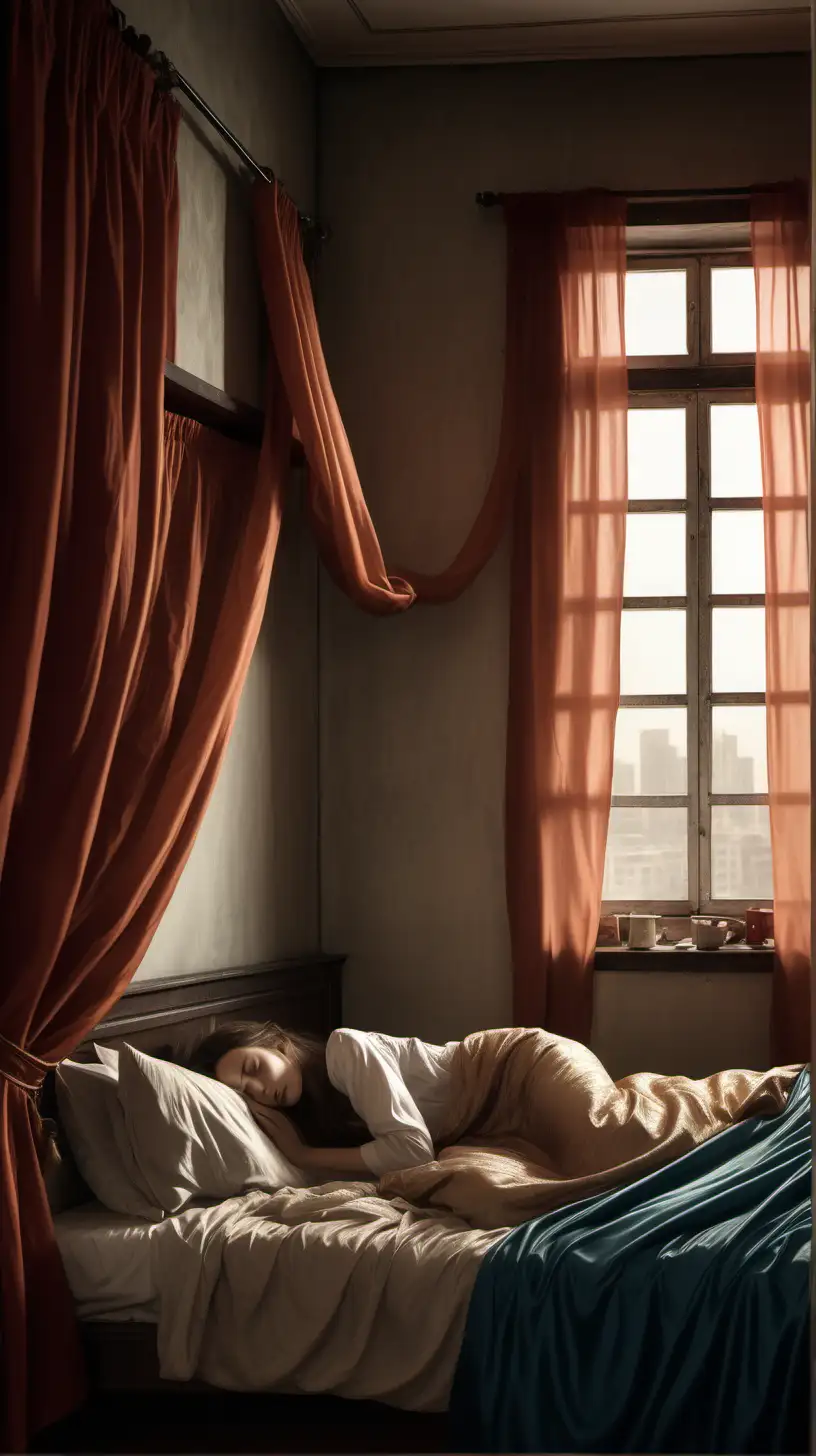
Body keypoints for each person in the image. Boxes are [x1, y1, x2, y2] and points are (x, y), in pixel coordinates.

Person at [182, 1021, 458, 1180]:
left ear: (277, 1044)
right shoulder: (315, 1119)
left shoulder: (345, 1048)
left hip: (494, 1075)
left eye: (253, 1068)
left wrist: (302, 1155)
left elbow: (414, 1153)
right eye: (246, 1094)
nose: (261, 1091)